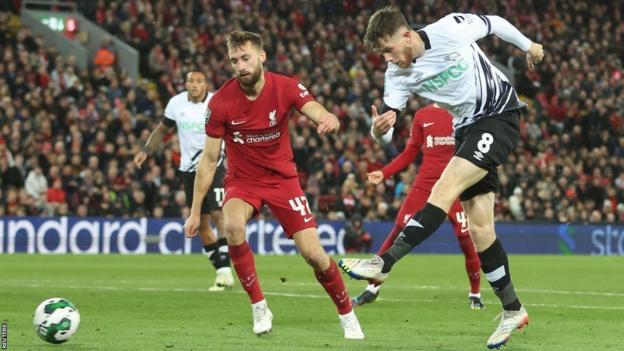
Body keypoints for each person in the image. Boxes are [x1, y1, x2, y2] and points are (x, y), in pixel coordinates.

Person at [337, 7, 544, 349]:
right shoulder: (397, 74)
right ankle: (513, 310)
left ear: (406, 35)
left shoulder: (450, 28)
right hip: (466, 130)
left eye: (388, 50)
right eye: (382, 54)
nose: (388, 59)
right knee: (480, 230)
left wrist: (528, 44)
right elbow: (388, 128)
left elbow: (495, 24)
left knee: (444, 188)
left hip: (498, 115)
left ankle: (383, 263)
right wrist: (378, 132)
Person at [183, 30, 364, 339]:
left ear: (262, 56)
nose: (240, 66)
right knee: (232, 225)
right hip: (243, 182)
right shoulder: (221, 103)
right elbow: (209, 161)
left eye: (245, 58)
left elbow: (314, 108)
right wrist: (195, 210)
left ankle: (347, 314)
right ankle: (259, 307)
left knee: (314, 255)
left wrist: (328, 117)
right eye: (234, 60)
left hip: (283, 181)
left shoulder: (286, 86)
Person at [351, 104, 483, 309]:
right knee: (398, 230)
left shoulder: (463, 110)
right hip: (425, 186)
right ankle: (372, 288)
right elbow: (410, 152)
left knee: (466, 239)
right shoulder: (423, 114)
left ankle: (475, 293)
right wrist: (385, 172)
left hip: (454, 185)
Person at [134, 70, 234, 292]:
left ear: (205, 84)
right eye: (191, 81)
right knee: (201, 222)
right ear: (186, 84)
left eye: (199, 81)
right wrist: (146, 150)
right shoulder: (176, 103)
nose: (195, 85)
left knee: (219, 213)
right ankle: (221, 270)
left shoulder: (216, 102)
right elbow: (162, 130)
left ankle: (227, 268)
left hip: (214, 164)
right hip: (189, 169)